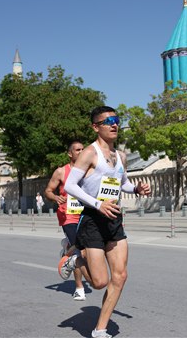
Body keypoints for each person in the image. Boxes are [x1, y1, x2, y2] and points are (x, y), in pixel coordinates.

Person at [62, 105, 151, 338]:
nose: (115, 125)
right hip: (93, 219)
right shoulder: (89, 153)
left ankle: (99, 330)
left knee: (120, 276)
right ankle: (76, 259)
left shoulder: (121, 156)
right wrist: (97, 204)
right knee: (100, 282)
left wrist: (137, 189)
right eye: (108, 121)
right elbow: (70, 185)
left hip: (114, 219)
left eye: (117, 120)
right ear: (95, 127)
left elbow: (122, 183)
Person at [45, 140, 88, 301]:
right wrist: (56, 197)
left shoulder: (89, 170)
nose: (81, 152)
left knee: (83, 252)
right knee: (80, 251)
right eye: (77, 150)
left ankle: (68, 250)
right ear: (70, 153)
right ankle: (79, 288)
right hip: (68, 215)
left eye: (83, 149)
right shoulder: (61, 171)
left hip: (86, 214)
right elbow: (48, 191)